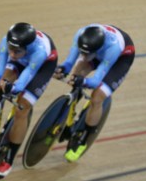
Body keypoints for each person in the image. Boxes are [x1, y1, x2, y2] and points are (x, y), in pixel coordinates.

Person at [0, 22, 58, 178]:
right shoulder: (8, 42)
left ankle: (9, 157)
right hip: (21, 61)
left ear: (26, 47)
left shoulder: (39, 51)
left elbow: (26, 78)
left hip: (41, 67)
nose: (11, 53)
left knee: (22, 107)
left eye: (16, 51)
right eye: (10, 49)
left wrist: (14, 88)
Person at [53, 24, 135, 162]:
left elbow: (96, 81)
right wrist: (63, 69)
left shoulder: (113, 49)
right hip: (97, 51)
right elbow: (69, 62)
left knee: (97, 98)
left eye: (87, 54)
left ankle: (84, 138)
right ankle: (70, 117)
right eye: (82, 52)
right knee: (77, 73)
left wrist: (84, 81)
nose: (83, 56)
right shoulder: (80, 34)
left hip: (120, 58)